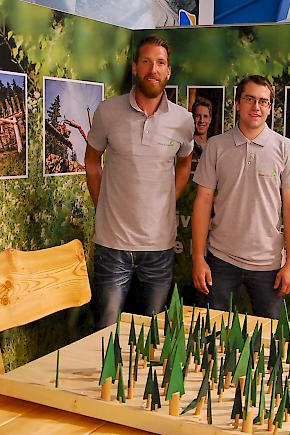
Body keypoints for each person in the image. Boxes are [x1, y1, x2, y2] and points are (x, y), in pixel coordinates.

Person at [84, 35, 194, 329]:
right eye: (146, 61)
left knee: (150, 336)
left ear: (168, 72)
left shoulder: (183, 121)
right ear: (134, 67)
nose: (152, 69)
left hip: (159, 249)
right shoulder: (108, 112)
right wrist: (102, 204)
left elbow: (185, 164)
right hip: (112, 246)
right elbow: (92, 161)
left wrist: (170, 199)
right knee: (104, 334)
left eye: (160, 63)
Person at [192, 75, 290, 318]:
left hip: (269, 265)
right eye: (250, 99)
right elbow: (202, 202)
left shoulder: (286, 148)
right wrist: (198, 259)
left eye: (263, 101)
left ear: (270, 107)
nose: (256, 107)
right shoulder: (216, 146)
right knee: (210, 335)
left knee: (269, 342)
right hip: (220, 261)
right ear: (237, 103)